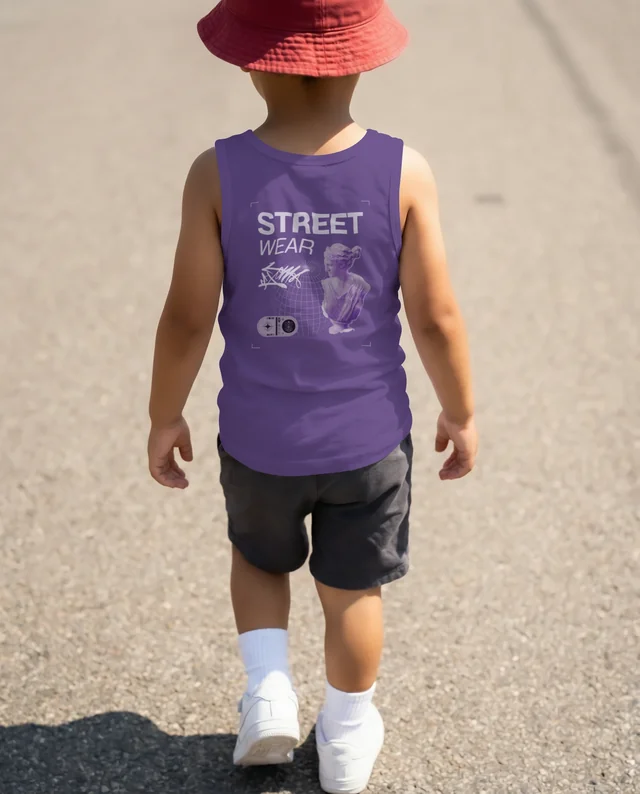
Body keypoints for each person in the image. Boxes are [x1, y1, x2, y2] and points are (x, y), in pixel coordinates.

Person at [147, 0, 478, 791]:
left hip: (258, 436)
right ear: (360, 60)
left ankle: (268, 696)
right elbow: (435, 315)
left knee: (259, 559)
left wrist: (164, 414)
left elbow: (188, 315)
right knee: (351, 589)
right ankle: (347, 734)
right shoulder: (403, 170)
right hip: (366, 440)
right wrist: (461, 410)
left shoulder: (216, 172)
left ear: (251, 63)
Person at [321, 244, 371, 334]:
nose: (326, 269)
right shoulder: (326, 284)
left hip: (356, 338)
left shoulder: (360, 284)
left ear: (342, 265)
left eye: (330, 265)